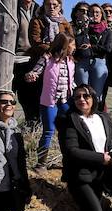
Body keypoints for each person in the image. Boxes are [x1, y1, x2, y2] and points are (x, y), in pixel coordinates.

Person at [26, 33, 76, 172]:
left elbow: (71, 81)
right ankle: (41, 163)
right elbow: (37, 70)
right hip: (50, 101)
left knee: (67, 130)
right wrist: (32, 75)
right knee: (48, 131)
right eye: (72, 45)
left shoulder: (71, 61)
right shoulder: (47, 59)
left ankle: (68, 160)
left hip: (66, 100)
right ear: (64, 46)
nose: (74, 48)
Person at [73, 2, 112, 104]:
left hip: (99, 62)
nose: (94, 14)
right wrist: (84, 27)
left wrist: (92, 47)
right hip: (83, 61)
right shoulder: (82, 28)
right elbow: (79, 44)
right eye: (92, 12)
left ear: (101, 14)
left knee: (96, 94)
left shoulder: (107, 30)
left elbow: (107, 48)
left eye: (97, 12)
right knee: (82, 91)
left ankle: (95, 114)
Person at [14, 0, 41, 121]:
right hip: (14, 58)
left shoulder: (39, 10)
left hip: (33, 58)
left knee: (30, 96)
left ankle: (32, 126)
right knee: (11, 95)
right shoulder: (12, 8)